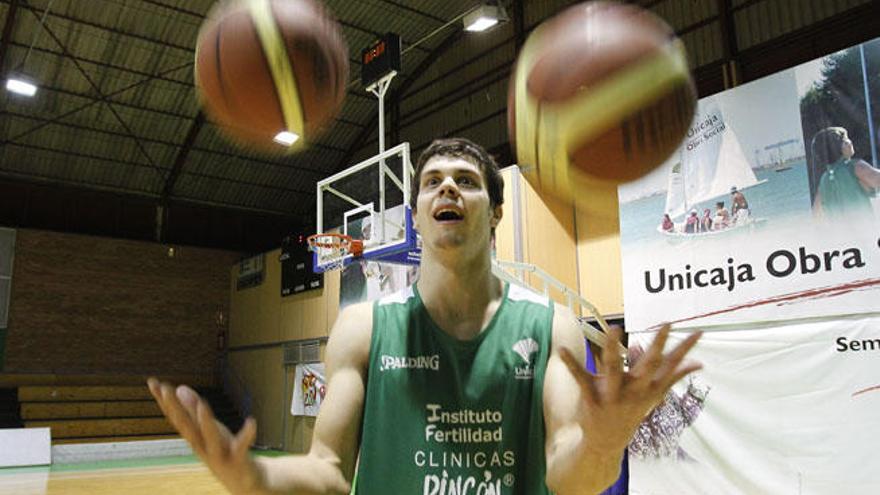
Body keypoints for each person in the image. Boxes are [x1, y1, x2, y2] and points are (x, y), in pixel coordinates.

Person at [148, 137, 702, 495]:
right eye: (433, 181)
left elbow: (568, 472)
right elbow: (327, 470)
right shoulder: (363, 328)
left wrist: (605, 444)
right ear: (416, 216)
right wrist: (255, 476)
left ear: (495, 214)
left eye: (465, 180)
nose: (447, 187)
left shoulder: (549, 324)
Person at [809, 126, 880, 219]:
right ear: (839, 147)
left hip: (841, 232)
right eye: (846, 139)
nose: (850, 142)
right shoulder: (855, 167)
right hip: (865, 229)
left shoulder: (824, 180)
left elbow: (816, 214)